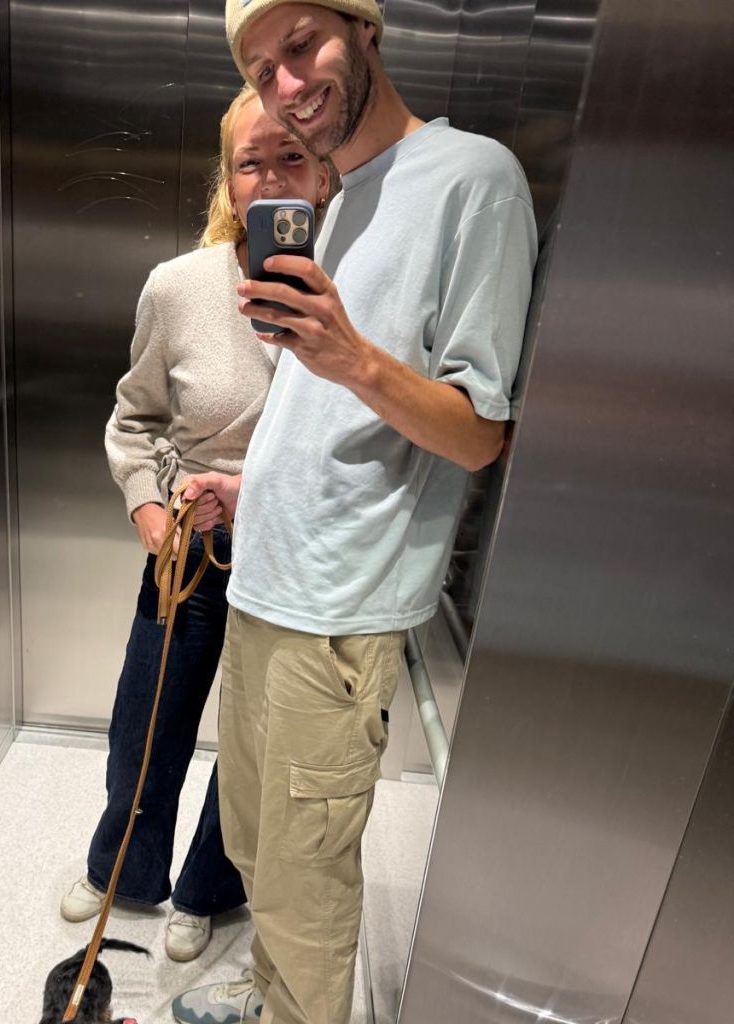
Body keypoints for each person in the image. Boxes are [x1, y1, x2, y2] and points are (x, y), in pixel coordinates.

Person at [172, 2, 537, 1022]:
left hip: (335, 610)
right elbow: (331, 415)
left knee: (303, 886)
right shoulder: (340, 195)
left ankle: (296, 1002)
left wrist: (349, 355)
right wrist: (251, 490)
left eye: (301, 47)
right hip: (266, 582)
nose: (286, 86)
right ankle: (271, 991)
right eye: (261, 68)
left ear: (364, 28)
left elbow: (480, 431)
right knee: (255, 845)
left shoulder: (473, 180)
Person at [60, 83, 331, 964]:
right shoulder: (177, 287)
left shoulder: (349, 297)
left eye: (292, 157)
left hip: (289, 559)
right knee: (145, 722)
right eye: (250, 162)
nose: (271, 179)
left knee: (252, 744)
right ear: (227, 178)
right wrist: (148, 505)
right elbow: (133, 418)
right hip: (188, 549)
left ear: (325, 174)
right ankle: (124, 871)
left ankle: (208, 889)